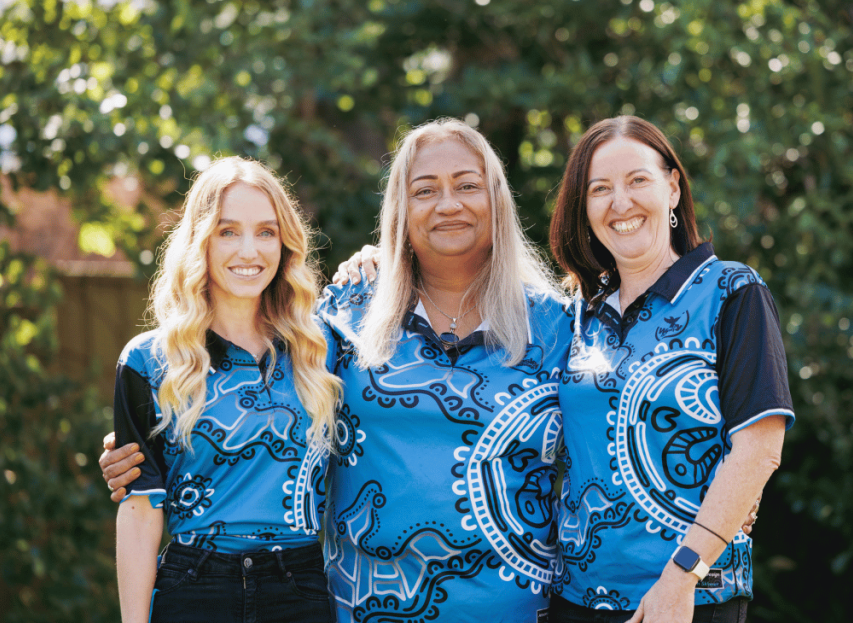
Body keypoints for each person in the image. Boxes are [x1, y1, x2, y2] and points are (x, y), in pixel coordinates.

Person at [103, 119, 572, 622]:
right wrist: (134, 451)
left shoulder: (555, 328)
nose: (448, 203)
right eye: (425, 189)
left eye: (467, 185)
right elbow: (151, 490)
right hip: (353, 606)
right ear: (399, 209)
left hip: (508, 606)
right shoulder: (344, 322)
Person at [547, 116, 794, 623]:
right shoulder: (573, 314)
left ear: (673, 187)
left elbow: (760, 450)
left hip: (690, 600)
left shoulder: (731, 292)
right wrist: (375, 262)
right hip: (575, 599)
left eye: (638, 180)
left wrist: (681, 577)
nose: (621, 203)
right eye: (600, 189)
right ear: (584, 207)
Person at [112, 157, 341, 623]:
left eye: (266, 232)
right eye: (228, 231)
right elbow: (139, 511)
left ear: (285, 243)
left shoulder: (324, 348)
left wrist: (372, 259)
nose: (249, 251)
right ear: (202, 240)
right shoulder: (148, 360)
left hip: (300, 585)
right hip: (194, 585)